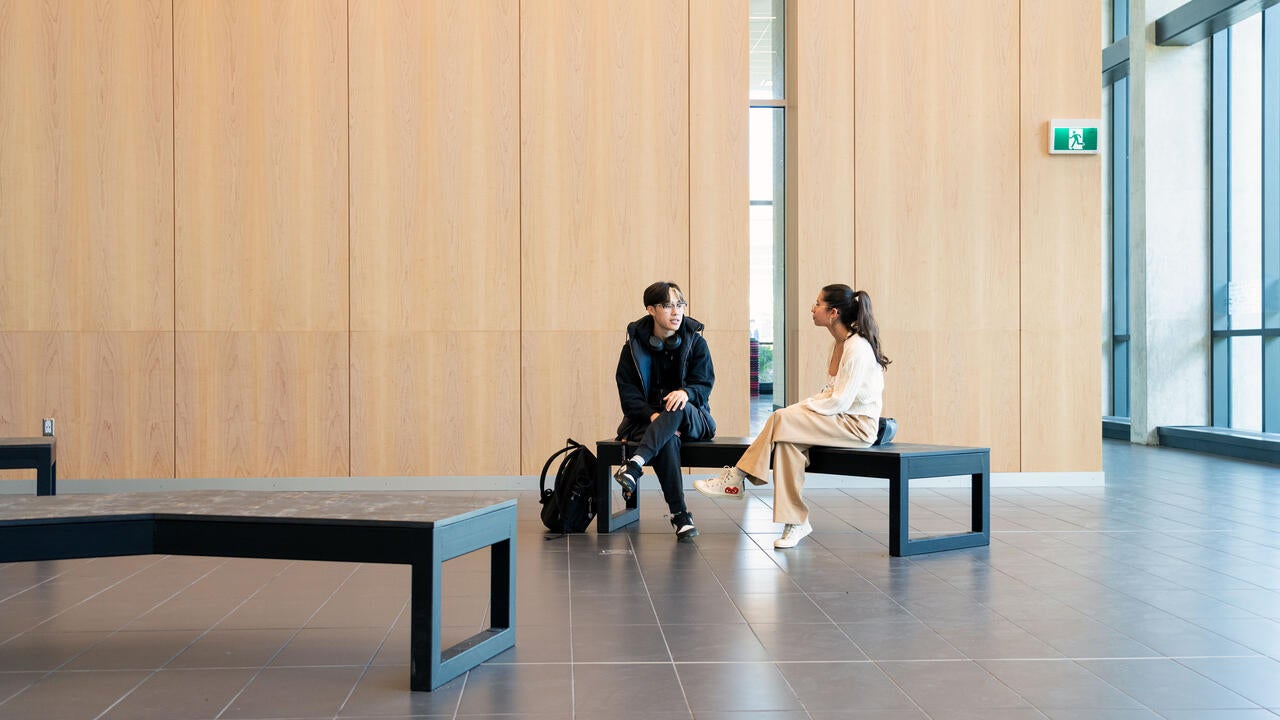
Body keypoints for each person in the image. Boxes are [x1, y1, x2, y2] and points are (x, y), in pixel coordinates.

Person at [694, 284, 890, 549]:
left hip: (857, 426)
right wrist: (803, 408)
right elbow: (831, 393)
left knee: (781, 418)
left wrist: (801, 408)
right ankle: (796, 522)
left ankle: (737, 478)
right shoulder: (840, 343)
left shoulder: (857, 348)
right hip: (839, 418)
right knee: (786, 444)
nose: (812, 308)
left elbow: (840, 400)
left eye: (818, 303)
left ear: (833, 312)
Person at [614, 281, 717, 542]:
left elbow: (703, 385)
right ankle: (681, 516)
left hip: (694, 417)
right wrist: (653, 417)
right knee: (667, 438)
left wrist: (686, 393)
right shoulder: (633, 349)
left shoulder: (696, 343)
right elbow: (629, 396)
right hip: (646, 422)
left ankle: (635, 465)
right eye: (668, 305)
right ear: (651, 309)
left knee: (677, 404)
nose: (676, 311)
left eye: (680, 304)